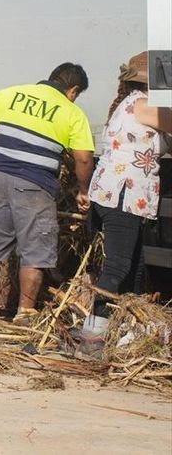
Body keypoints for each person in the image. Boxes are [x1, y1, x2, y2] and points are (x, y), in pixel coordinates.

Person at [0, 62, 96, 322]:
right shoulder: (72, 112)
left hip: (0, 179)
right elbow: (83, 158)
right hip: (36, 184)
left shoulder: (10, 93)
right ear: (73, 90)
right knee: (35, 250)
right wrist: (83, 189)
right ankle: (24, 312)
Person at [76, 53, 170, 344]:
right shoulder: (144, 105)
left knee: (135, 267)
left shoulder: (132, 104)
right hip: (123, 195)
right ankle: (92, 337)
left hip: (122, 196)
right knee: (118, 266)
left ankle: (127, 332)